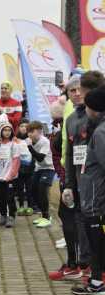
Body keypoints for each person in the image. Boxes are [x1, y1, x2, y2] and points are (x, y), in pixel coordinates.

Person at [63, 71, 104, 274]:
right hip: (81, 177)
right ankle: (85, 263)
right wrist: (69, 183)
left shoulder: (98, 117)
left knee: (95, 222)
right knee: (81, 220)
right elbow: (69, 152)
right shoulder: (71, 119)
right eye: (73, 90)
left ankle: (96, 270)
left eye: (81, 90)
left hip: (98, 180)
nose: (78, 93)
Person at [71, 85, 105, 295]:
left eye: (89, 107)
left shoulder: (101, 132)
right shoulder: (98, 129)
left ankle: (97, 282)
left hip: (96, 197)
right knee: (95, 242)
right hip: (92, 193)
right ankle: (96, 280)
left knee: (96, 242)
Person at [48, 96, 83, 281]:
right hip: (68, 178)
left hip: (75, 179)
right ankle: (74, 262)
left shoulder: (72, 123)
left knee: (74, 218)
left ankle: (77, 264)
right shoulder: (61, 126)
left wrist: (68, 180)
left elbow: (69, 154)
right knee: (66, 216)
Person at [0, 122, 21, 228]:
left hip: (10, 178)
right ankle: (3, 216)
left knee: (10, 197)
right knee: (1, 197)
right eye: (5, 130)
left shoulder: (14, 145)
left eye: (9, 130)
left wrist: (10, 176)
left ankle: (11, 216)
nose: (7, 132)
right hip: (0, 177)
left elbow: (16, 162)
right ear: (0, 131)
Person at [27, 122, 55, 228]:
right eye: (28, 132)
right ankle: (43, 215)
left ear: (39, 131)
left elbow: (40, 157)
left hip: (49, 168)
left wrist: (30, 147)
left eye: (32, 132)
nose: (29, 134)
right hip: (38, 168)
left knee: (42, 189)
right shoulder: (30, 141)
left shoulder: (44, 141)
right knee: (33, 190)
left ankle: (47, 217)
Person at [16, 119, 34, 216]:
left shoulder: (32, 139)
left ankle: (30, 206)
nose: (24, 128)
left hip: (30, 168)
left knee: (29, 188)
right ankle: (21, 206)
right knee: (19, 188)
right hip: (19, 167)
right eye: (22, 126)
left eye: (26, 126)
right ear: (19, 128)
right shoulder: (15, 139)